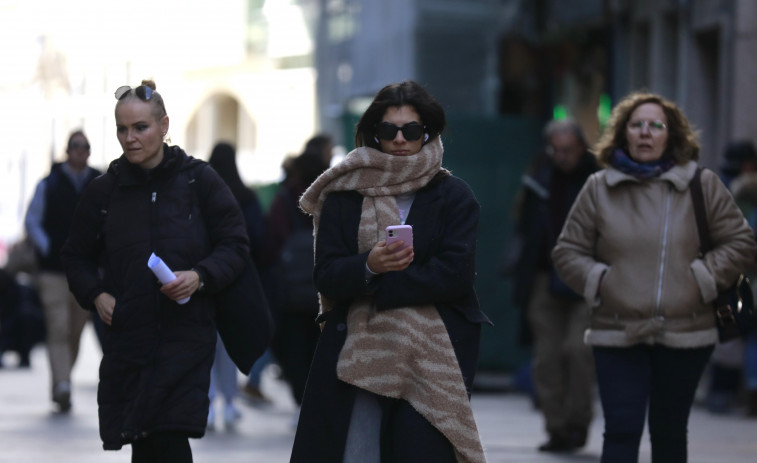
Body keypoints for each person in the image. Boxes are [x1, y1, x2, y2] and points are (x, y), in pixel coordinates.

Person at [290, 81, 491, 463]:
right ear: (374, 134)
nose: (400, 139)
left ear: (426, 133)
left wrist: (378, 284)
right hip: (358, 350)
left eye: (411, 130)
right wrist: (368, 265)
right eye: (388, 130)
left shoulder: (454, 195)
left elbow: (455, 274)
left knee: (420, 453)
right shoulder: (344, 195)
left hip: (431, 352)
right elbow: (326, 274)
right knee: (355, 453)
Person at [552, 91, 757, 463]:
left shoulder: (701, 184)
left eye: (655, 126)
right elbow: (567, 253)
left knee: (668, 431)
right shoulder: (599, 188)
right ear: (624, 134)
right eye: (637, 125)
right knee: (622, 430)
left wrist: (703, 278)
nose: (646, 133)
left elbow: (741, 243)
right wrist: (601, 280)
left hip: (686, 332)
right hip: (616, 330)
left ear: (671, 135)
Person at [61, 80, 249, 461]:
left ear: (164, 126)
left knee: (167, 436)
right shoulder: (104, 191)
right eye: (122, 129)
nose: (130, 138)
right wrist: (97, 295)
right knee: (145, 440)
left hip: (186, 337)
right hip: (129, 340)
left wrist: (200, 276)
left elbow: (236, 244)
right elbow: (75, 256)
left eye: (140, 127)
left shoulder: (200, 181)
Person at [506, 119, 598, 452]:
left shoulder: (597, 180)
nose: (562, 157)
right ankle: (557, 428)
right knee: (546, 358)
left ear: (580, 148)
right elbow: (524, 224)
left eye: (568, 150)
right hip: (544, 276)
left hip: (586, 276)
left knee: (577, 350)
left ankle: (577, 422)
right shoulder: (538, 179)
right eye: (556, 150)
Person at [24, 129, 101, 412]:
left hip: (85, 272)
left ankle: (62, 380)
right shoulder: (50, 183)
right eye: (76, 147)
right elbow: (33, 220)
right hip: (53, 272)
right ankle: (62, 384)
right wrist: (48, 248)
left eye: (85, 147)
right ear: (68, 151)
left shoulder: (99, 182)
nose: (80, 152)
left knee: (75, 331)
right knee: (57, 327)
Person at [262, 149, 330, 409]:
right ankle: (317, 403)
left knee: (294, 350)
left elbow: (270, 243)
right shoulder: (331, 197)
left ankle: (303, 402)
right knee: (320, 349)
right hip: (323, 288)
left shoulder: (286, 199)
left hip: (290, 292)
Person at [205, 141, 265, 428]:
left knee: (205, 345)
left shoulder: (201, 194)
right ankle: (229, 401)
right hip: (237, 280)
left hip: (203, 279)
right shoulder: (245, 196)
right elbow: (258, 236)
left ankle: (207, 399)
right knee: (228, 348)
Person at [726, 140, 757, 416]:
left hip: (746, 279)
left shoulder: (734, 196)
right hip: (747, 278)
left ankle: (749, 390)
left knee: (749, 338)